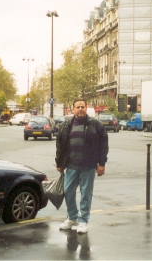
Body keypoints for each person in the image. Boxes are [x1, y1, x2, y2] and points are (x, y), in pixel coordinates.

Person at [55, 99, 109, 234]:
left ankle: (83, 220)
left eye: (82, 107)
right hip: (71, 166)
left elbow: (104, 146)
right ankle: (72, 217)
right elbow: (60, 145)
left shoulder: (96, 125)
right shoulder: (67, 125)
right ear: (72, 109)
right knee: (68, 192)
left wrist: (101, 164)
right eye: (78, 107)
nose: (80, 109)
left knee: (86, 194)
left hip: (88, 166)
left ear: (86, 108)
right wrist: (59, 163)